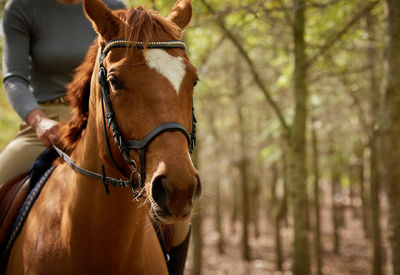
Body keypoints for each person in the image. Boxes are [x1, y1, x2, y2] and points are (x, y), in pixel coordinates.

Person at [0, 0, 125, 186]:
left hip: (103, 123)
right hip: (47, 127)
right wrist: (39, 121)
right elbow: (14, 79)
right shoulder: (22, 7)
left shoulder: (113, 6)